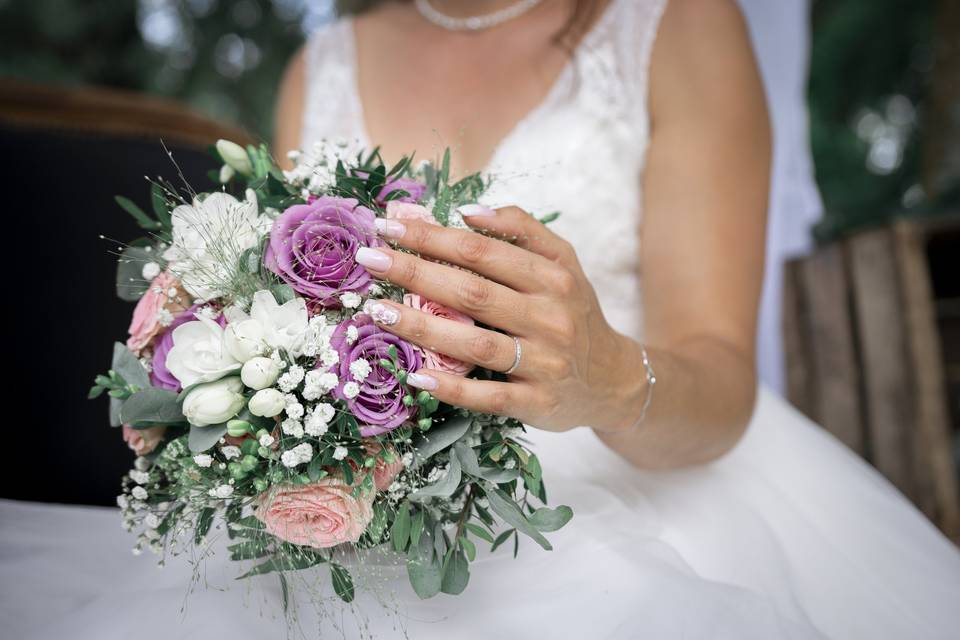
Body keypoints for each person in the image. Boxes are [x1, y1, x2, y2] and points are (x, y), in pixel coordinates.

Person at [1, 1, 957, 638]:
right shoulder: (320, 65)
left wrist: (608, 381)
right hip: (380, 498)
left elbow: (720, 377)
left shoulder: (679, 23)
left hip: (644, 470)